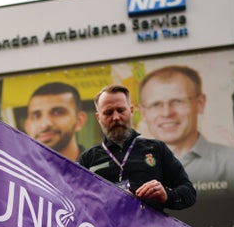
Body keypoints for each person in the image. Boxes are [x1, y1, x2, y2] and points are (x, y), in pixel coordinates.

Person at [78, 84, 196, 213]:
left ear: (131, 110)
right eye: (108, 112)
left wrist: (166, 196)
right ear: (98, 117)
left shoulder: (156, 149)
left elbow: (189, 193)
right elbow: (77, 202)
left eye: (121, 110)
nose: (116, 117)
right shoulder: (87, 159)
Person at [139, 65, 234, 195]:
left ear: (200, 103)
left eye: (178, 101)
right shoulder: (130, 167)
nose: (167, 113)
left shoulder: (232, 163)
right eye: (156, 104)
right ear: (143, 113)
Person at [23, 82, 87, 161]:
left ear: (79, 120)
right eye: (36, 116)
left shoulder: (100, 170)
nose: (45, 124)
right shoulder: (14, 171)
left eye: (58, 112)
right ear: (27, 126)